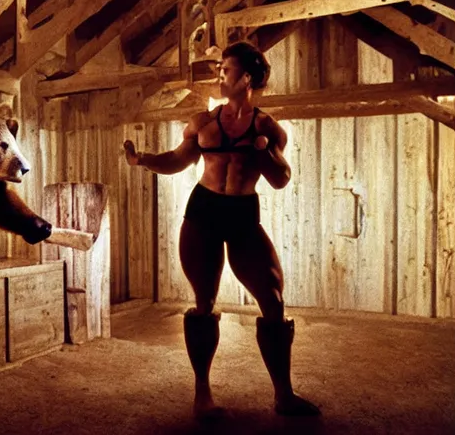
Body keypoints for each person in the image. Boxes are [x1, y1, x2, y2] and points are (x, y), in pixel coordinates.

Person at [122, 42, 319, 419]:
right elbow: (178, 161)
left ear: (246, 77)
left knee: (273, 299)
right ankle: (203, 396)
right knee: (204, 303)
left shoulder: (268, 128)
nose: (219, 76)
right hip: (204, 211)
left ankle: (284, 395)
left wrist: (262, 151)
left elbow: (280, 178)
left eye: (225, 70)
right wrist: (142, 159)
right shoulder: (202, 123)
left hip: (244, 213)